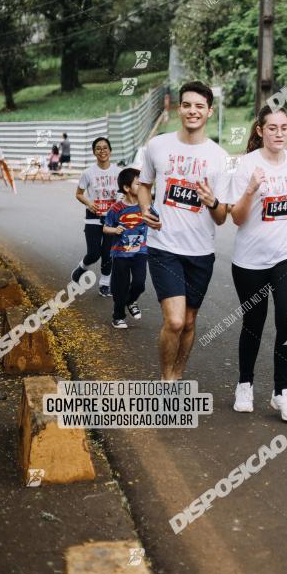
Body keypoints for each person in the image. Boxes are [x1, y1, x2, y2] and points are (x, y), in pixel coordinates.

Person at [138, 81, 230, 381]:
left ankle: (178, 373)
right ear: (180, 108)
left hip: (201, 251)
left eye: (199, 106)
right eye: (187, 105)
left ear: (209, 111)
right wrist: (143, 210)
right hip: (164, 246)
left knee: (190, 322)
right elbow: (144, 186)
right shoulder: (158, 146)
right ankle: (167, 379)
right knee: (175, 321)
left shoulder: (220, 158)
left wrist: (211, 201)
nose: (193, 111)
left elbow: (221, 218)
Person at [229, 106, 287, 422]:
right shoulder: (245, 165)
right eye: (272, 128)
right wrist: (251, 188)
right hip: (250, 259)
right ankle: (245, 385)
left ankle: (282, 393)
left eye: (284, 128)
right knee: (254, 324)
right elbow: (236, 218)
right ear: (260, 130)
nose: (279, 133)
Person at [71, 137, 121, 296]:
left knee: (108, 254)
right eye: (98, 148)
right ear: (94, 152)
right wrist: (89, 203)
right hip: (93, 218)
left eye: (105, 148)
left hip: (112, 219)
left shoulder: (118, 172)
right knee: (94, 253)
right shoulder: (88, 173)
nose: (102, 151)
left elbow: (125, 193)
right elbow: (79, 194)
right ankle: (81, 269)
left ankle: (104, 284)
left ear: (110, 151)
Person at [103, 168, 148, 329]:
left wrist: (156, 223)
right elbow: (105, 228)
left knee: (139, 283)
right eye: (138, 183)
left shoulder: (144, 206)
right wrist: (114, 230)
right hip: (121, 253)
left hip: (140, 252)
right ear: (127, 188)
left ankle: (131, 300)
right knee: (119, 286)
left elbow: (155, 219)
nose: (142, 186)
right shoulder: (116, 209)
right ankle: (118, 316)